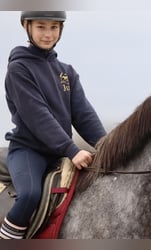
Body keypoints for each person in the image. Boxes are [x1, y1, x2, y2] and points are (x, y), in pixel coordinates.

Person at [0, 11, 107, 239]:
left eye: (54, 27)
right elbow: (37, 116)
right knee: (29, 195)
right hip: (29, 151)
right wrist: (72, 150)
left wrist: (108, 146)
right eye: (41, 27)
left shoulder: (66, 72)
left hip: (60, 153)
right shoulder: (19, 69)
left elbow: (83, 115)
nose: (48, 34)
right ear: (25, 26)